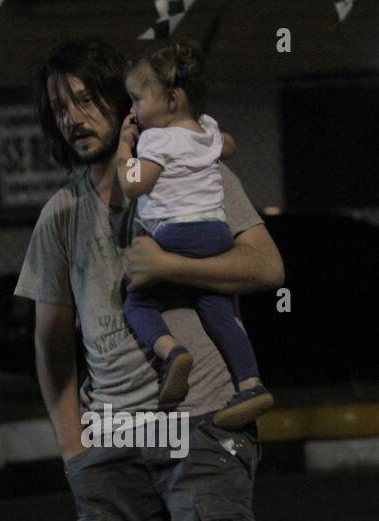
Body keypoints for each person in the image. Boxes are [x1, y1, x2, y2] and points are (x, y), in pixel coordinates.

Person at [16, 38, 296, 521]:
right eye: (59, 106)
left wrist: (169, 266)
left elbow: (265, 268)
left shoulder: (190, 176)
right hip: (110, 444)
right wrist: (74, 451)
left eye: (86, 98)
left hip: (202, 426)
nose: (74, 117)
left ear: (123, 99)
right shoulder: (63, 214)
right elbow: (51, 345)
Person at [118, 38, 274, 428]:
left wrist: (125, 151)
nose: (134, 111)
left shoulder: (157, 138)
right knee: (218, 313)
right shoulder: (205, 129)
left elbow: (134, 185)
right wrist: (209, 150)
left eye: (138, 100)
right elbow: (230, 146)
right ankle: (251, 383)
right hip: (215, 234)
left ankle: (172, 352)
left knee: (138, 302)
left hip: (176, 234)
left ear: (171, 101)